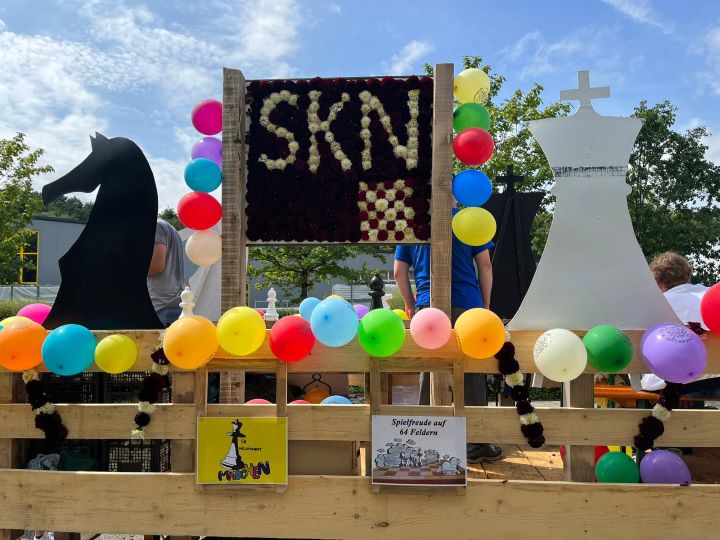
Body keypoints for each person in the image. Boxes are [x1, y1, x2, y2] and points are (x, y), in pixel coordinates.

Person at [394, 235, 501, 463]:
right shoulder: (468, 221)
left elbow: (398, 272)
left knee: (430, 369)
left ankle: (426, 439)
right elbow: (485, 265)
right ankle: (475, 444)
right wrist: (485, 304)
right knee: (471, 372)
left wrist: (411, 305)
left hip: (428, 305)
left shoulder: (414, 227)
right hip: (468, 305)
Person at [641, 252, 716, 398]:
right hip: (715, 378)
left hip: (676, 383)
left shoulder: (657, 304)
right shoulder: (709, 294)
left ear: (658, 282)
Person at [147, 218, 185, 326]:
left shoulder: (155, 226)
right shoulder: (164, 226)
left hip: (162, 306)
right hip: (169, 304)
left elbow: (156, 266)